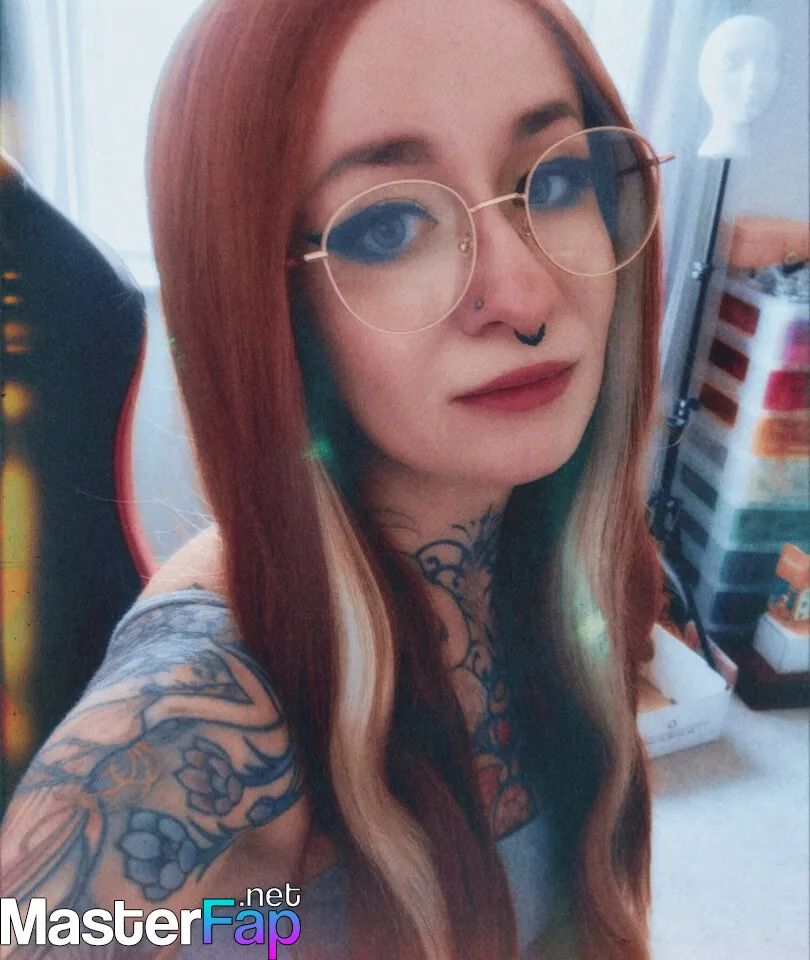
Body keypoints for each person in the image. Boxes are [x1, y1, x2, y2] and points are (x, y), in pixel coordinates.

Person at [1, 0, 667, 957]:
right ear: (266, 302)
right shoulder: (196, 722)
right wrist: (259, 931)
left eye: (552, 179)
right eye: (388, 226)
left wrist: (270, 923)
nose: (524, 297)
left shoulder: (571, 554)